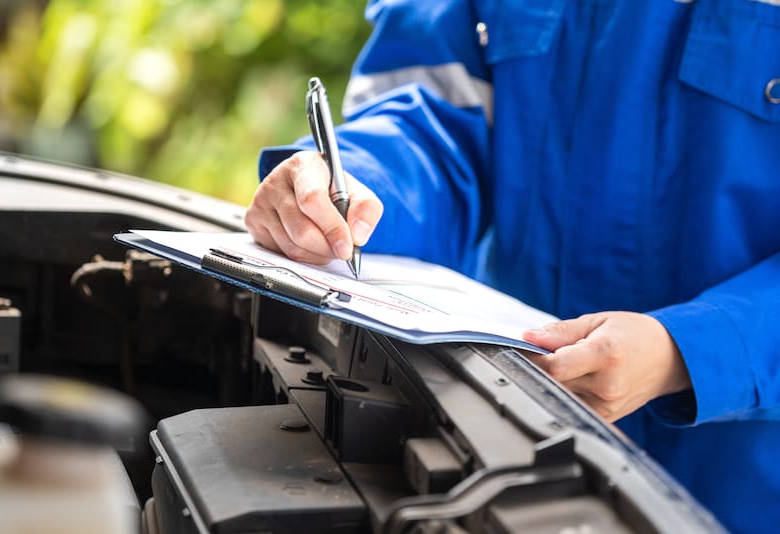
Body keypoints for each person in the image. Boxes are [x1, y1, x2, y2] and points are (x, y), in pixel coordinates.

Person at [244, 2, 780, 532]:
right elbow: (434, 122)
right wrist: (351, 188)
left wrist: (688, 351)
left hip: (740, 495)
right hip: (505, 458)